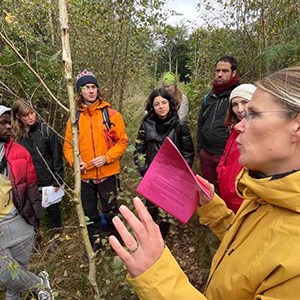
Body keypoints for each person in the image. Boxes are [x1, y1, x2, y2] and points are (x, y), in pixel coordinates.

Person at [109, 66, 300, 299]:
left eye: (254, 114)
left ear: (297, 127)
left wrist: (156, 278)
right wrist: (215, 211)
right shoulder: (268, 193)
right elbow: (256, 248)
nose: (238, 124)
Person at [64, 70, 128, 252]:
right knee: (89, 214)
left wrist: (107, 158)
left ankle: (118, 244)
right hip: (84, 177)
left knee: (111, 211)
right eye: (86, 87)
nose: (91, 91)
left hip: (107, 174)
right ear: (80, 92)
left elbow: (122, 141)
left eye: (93, 87)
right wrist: (76, 163)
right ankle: (95, 246)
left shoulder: (111, 115)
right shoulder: (74, 118)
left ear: (97, 90)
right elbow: (68, 147)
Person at [0, 105, 53, 300]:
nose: (8, 127)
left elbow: (31, 188)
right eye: (3, 123)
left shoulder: (20, 152)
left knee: (17, 274)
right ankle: (39, 284)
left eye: (9, 122)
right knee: (5, 274)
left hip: (19, 222)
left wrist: (35, 223)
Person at [133, 87, 194, 237]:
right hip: (152, 175)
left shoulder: (179, 124)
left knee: (167, 210)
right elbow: (138, 149)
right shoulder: (146, 124)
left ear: (170, 103)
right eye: (157, 104)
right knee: (151, 209)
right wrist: (144, 170)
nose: (161, 107)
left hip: (172, 176)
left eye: (164, 102)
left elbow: (188, 151)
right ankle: (152, 237)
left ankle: (163, 237)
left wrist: (182, 173)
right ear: (152, 106)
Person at [12, 99, 64, 238]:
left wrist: (57, 180)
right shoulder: (16, 137)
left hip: (48, 180)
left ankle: (57, 237)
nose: (31, 117)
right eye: (26, 115)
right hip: (29, 183)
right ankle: (35, 239)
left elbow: (57, 156)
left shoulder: (46, 131)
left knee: (54, 211)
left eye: (32, 113)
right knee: (32, 212)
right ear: (18, 116)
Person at [197, 55, 240, 190]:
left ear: (234, 73)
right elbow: (201, 122)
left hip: (226, 155)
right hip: (206, 153)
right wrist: (200, 149)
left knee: (228, 189)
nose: (220, 74)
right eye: (217, 71)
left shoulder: (238, 96)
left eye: (225, 71)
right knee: (209, 190)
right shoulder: (209, 96)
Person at [216, 84, 256, 212]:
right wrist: (220, 170)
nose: (239, 109)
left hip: (242, 199)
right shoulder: (236, 130)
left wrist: (236, 190)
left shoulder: (260, 135)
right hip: (227, 192)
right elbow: (226, 155)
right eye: (234, 104)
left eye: (245, 102)